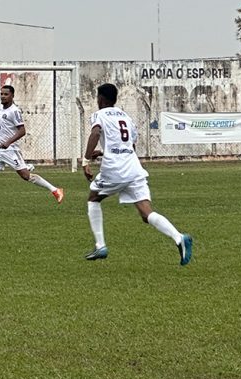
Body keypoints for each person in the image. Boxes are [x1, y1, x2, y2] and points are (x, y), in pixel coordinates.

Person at [82, 83, 193, 265]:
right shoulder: (126, 117)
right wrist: (102, 152)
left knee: (93, 198)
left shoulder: (99, 115)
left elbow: (95, 133)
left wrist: (86, 161)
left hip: (115, 169)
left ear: (100, 99)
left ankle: (100, 245)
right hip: (133, 168)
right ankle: (179, 238)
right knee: (146, 213)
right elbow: (130, 147)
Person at [0, 84, 63, 216]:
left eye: (6, 94)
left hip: (10, 149)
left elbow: (22, 131)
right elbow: (0, 126)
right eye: (2, 94)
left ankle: (55, 190)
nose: (3, 96)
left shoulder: (14, 111)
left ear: (12, 96)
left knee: (26, 176)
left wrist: (8, 142)